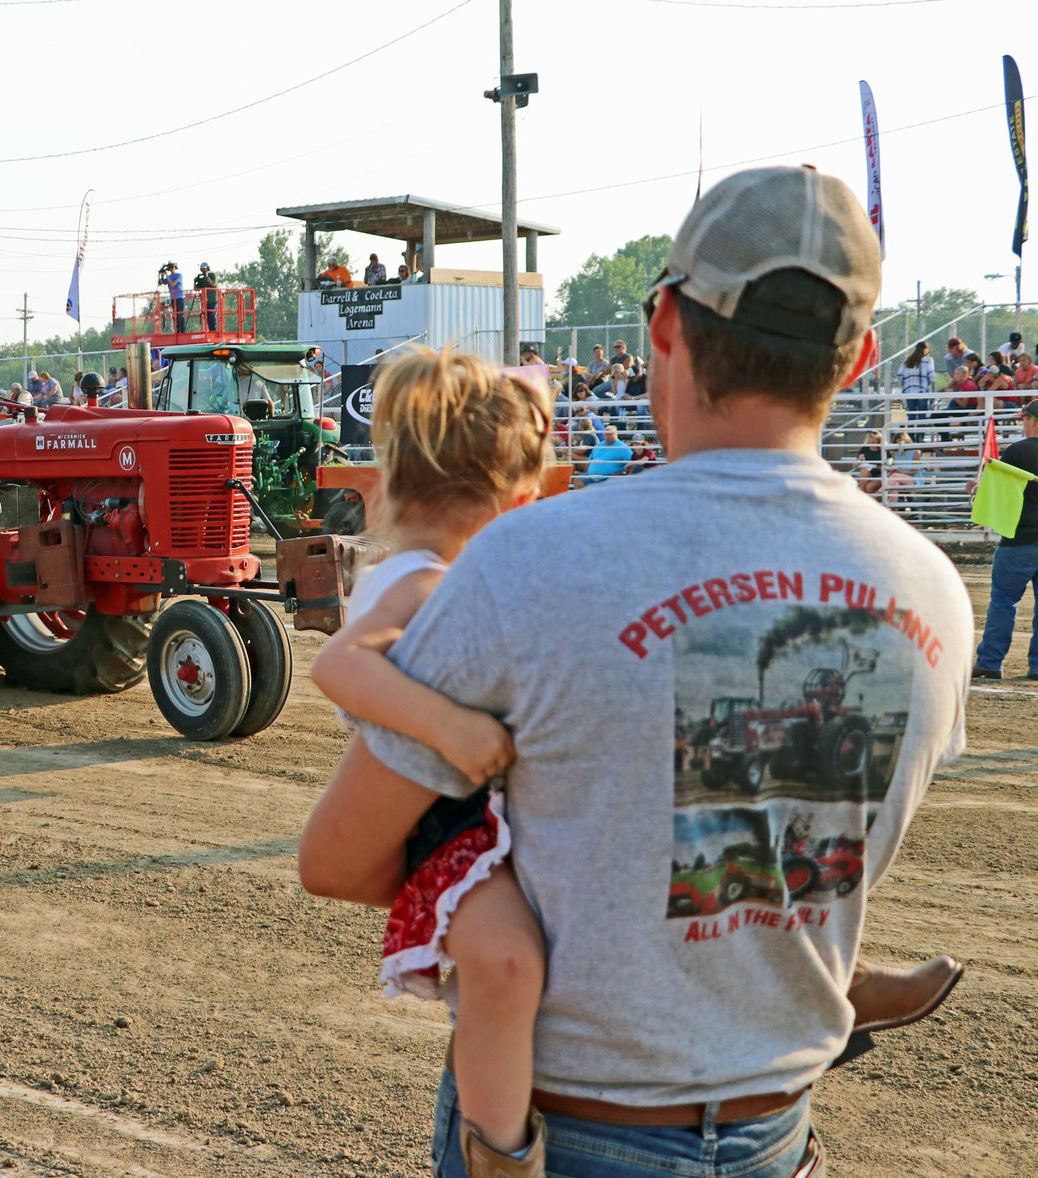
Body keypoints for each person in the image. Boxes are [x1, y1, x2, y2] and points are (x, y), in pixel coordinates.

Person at [299, 165, 969, 1178]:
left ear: (663, 322)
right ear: (859, 355)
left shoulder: (524, 561)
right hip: (775, 1125)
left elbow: (337, 859)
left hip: (566, 1129)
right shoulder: (933, 592)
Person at [308, 348, 552, 1177]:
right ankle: (498, 1154)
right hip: (440, 824)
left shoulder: (420, 570)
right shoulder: (421, 583)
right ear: (502, 504)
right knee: (504, 964)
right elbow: (337, 667)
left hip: (462, 807)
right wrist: (449, 726)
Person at [972, 399, 1038, 679]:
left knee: (1003, 601)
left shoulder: (1019, 450)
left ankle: (990, 662)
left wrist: (977, 487)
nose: (1022, 423)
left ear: (1032, 420)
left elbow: (997, 492)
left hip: (1019, 540)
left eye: (1024, 419)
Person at [898, 341, 936, 438]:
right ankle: (920, 436)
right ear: (926, 350)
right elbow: (932, 376)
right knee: (922, 415)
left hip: (909, 392)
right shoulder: (928, 360)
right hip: (922, 391)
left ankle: (910, 436)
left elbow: (900, 376)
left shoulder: (907, 361)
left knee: (911, 415)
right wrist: (928, 383)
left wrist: (907, 384)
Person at [855, 429, 884, 494]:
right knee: (864, 470)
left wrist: (876, 467)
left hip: (880, 474)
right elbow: (854, 466)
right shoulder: (865, 449)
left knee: (869, 488)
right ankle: (863, 494)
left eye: (873, 443)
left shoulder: (883, 450)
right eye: (869, 443)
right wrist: (859, 460)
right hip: (868, 474)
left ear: (878, 441)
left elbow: (887, 469)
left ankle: (863, 496)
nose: (871, 445)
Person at [162, 262, 187, 331]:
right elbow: (162, 282)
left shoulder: (178, 275)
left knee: (180, 315)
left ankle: (182, 330)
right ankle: (177, 330)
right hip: (173, 298)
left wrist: (167, 277)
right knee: (175, 315)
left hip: (180, 297)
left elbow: (173, 284)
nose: (171, 269)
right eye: (170, 268)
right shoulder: (169, 277)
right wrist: (162, 276)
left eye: (172, 267)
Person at [194, 262, 219, 331]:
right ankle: (209, 330)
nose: (203, 271)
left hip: (212, 299)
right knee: (206, 316)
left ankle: (213, 331)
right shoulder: (203, 278)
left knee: (212, 316)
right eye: (202, 269)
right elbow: (196, 289)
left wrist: (207, 276)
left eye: (204, 269)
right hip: (205, 301)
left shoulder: (212, 275)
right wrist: (195, 281)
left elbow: (214, 284)